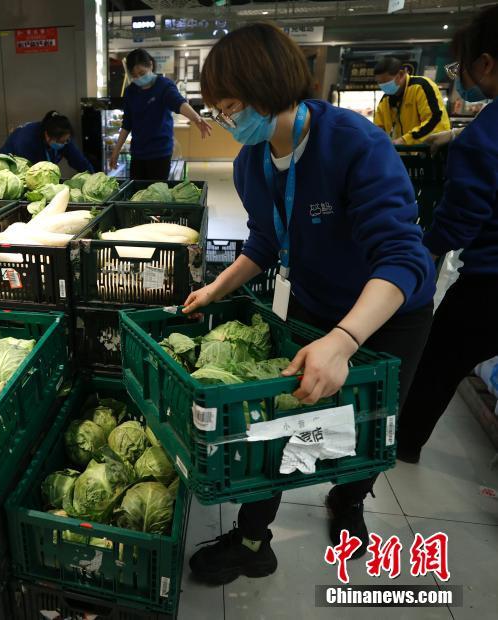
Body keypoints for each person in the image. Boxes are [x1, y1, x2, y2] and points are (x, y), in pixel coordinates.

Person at [182, 23, 435, 585]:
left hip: (388, 314)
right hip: (314, 305)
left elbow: (403, 257)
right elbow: (264, 242)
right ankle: (253, 539)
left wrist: (344, 340)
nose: (226, 120)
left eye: (230, 107)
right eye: (219, 111)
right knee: (281, 421)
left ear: (268, 88)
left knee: (369, 425)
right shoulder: (251, 161)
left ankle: (349, 500)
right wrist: (217, 287)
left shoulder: (353, 144)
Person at [396, 5, 498, 463]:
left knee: (438, 361)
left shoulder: (484, 138)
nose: (460, 78)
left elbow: (461, 221)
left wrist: (422, 250)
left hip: (490, 284)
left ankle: (404, 443)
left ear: (486, 63)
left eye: (460, 67)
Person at [109, 48, 212, 180]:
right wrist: (116, 150)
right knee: (137, 190)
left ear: (150, 65)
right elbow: (127, 124)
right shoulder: (131, 92)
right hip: (137, 153)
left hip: (160, 153)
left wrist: (196, 118)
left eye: (142, 73)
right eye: (135, 76)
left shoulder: (163, 85)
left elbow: (178, 103)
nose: (139, 78)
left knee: (157, 191)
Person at [373, 55, 451, 145]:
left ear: (401, 74)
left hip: (428, 150)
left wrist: (404, 140)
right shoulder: (385, 100)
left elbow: (435, 120)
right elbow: (377, 129)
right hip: (400, 152)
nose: (383, 86)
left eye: (386, 82)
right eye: (379, 83)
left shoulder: (421, 86)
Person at [0, 111, 93, 173]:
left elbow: (79, 161)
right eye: (60, 142)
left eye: (66, 141)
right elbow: (31, 174)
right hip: (10, 166)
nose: (64, 144)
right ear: (47, 136)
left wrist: (93, 177)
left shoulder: (64, 137)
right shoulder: (27, 141)